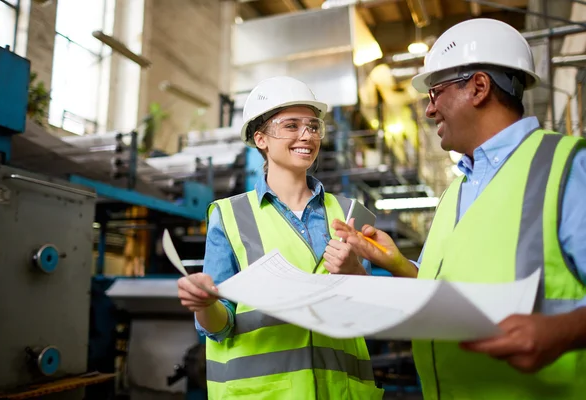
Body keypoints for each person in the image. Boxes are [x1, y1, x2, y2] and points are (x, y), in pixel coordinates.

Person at [333, 18, 586, 399]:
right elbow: (453, 300)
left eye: (435, 93)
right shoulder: (457, 191)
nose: (430, 110)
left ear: (479, 87)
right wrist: (400, 266)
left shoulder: (566, 167)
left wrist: (561, 333)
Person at [177, 76, 385, 399]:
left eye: (313, 126)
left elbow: (370, 314)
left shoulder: (348, 213)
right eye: (291, 125)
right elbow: (219, 326)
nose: (307, 135)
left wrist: (356, 274)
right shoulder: (230, 216)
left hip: (342, 392)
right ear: (261, 139)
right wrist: (205, 305)